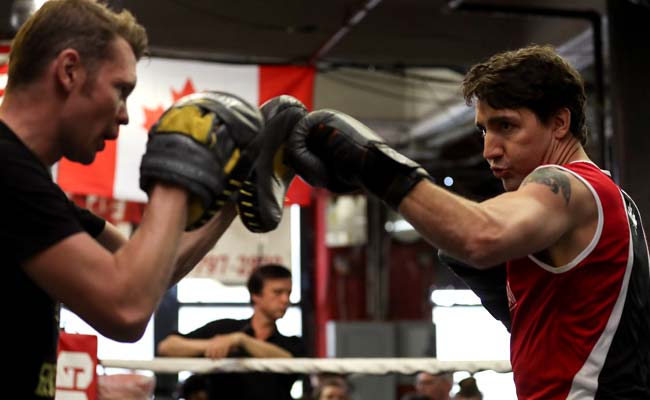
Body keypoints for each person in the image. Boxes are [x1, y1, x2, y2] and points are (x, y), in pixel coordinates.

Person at [287, 44, 650, 399]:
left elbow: (480, 236)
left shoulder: (567, 184)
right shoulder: (614, 199)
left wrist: (370, 166)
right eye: (483, 130)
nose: (489, 149)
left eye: (506, 126)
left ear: (559, 122)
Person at [1, 1, 264, 398]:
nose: (124, 115)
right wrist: (180, 173)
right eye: (120, 90)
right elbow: (125, 309)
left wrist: (239, 186)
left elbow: (151, 274)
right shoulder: (5, 172)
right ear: (69, 71)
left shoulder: (33, 188)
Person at [158, 264, 306, 400]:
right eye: (278, 292)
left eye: (289, 293)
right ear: (256, 295)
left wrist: (241, 340)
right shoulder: (224, 330)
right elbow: (166, 347)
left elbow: (289, 361)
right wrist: (213, 345)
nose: (285, 299)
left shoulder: (291, 342)